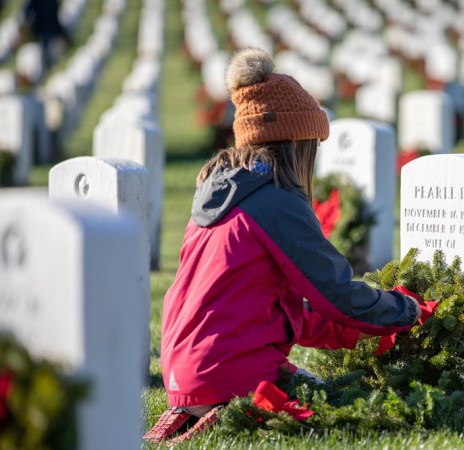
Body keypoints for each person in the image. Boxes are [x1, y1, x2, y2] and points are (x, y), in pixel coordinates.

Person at [145, 48, 421, 442]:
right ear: (297, 144)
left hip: (183, 373)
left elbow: (268, 309)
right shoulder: (277, 201)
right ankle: (226, 405)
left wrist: (353, 332)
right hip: (230, 372)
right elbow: (337, 294)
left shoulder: (219, 196)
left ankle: (202, 408)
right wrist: (406, 309)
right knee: (353, 404)